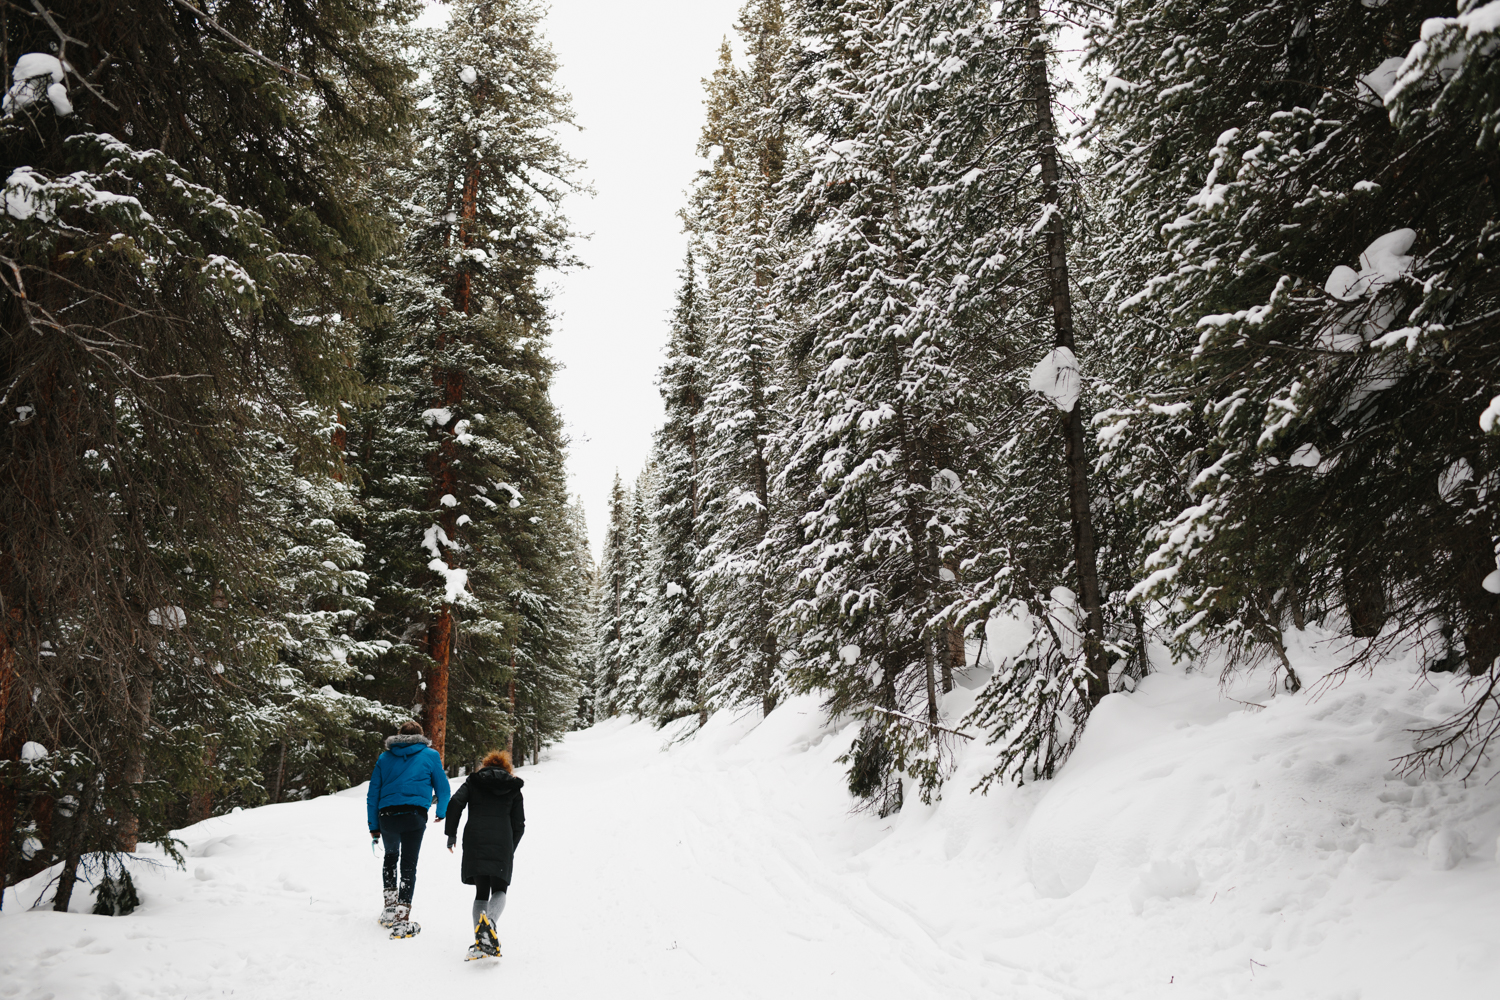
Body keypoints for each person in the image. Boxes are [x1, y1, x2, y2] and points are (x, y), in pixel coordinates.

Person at [366, 720, 451, 939]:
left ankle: (389, 909)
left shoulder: (385, 758)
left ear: (399, 735)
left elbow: (373, 794)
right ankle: (402, 921)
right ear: (421, 736)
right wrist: (441, 811)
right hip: (414, 816)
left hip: (387, 817)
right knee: (409, 864)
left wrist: (373, 827)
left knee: (391, 857)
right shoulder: (430, 755)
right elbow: (443, 787)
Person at [445, 749, 525, 960]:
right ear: (507, 769)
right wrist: (510, 848)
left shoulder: (474, 782)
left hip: (475, 841)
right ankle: (489, 924)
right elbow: (519, 824)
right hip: (502, 843)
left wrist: (451, 834)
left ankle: (481, 942)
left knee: (481, 891)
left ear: (486, 766)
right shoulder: (513, 787)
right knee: (500, 888)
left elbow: (455, 803)